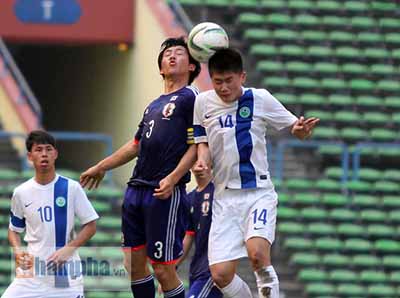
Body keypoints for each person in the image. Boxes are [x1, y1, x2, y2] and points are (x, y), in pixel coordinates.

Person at [80, 37, 201, 298]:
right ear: (160, 68)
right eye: (167, 54)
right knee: (133, 264)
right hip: (136, 188)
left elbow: (197, 145)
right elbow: (136, 145)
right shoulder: (154, 105)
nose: (172, 56)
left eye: (179, 53)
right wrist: (102, 166)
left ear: (192, 66)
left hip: (163, 191)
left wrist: (173, 178)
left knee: (162, 268)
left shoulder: (192, 98)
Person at [193, 48, 319, 298]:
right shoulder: (203, 103)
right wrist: (201, 162)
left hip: (258, 193)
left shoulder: (260, 99)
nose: (224, 87)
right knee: (220, 274)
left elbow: (296, 128)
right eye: (218, 82)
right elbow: (202, 142)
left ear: (242, 77)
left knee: (258, 256)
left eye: (229, 81)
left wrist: (302, 130)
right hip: (224, 197)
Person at [2, 130, 98, 298]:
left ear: (56, 154)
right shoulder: (21, 192)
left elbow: (91, 226)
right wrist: (18, 252)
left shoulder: (71, 187)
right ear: (30, 156)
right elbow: (14, 230)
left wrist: (68, 250)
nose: (44, 154)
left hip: (66, 276)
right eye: (38, 150)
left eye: (48, 149)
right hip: (31, 277)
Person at [177, 166, 222, 298]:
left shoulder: (220, 193)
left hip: (212, 269)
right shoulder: (190, 198)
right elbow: (188, 236)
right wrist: (173, 267)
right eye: (195, 159)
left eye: (202, 158)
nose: (199, 164)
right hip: (196, 269)